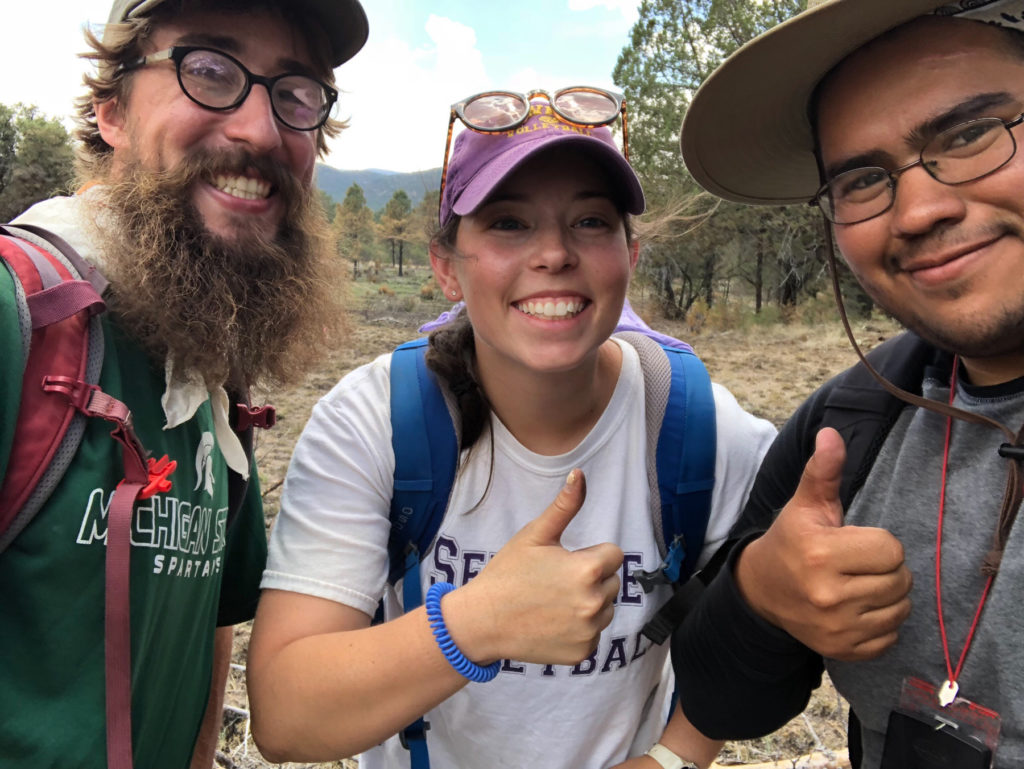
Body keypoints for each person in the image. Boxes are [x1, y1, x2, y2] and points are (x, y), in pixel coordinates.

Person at [246, 89, 776, 769]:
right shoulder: (373, 423)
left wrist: (674, 756)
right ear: (446, 267)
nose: (554, 253)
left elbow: (755, 625)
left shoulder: (699, 428)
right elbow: (287, 716)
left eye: (589, 221)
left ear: (630, 257)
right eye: (507, 224)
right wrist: (483, 621)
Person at [0, 0, 367, 767]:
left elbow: (208, 623)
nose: (260, 131)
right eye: (208, 70)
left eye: (295, 92)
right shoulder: (19, 317)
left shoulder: (215, 377)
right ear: (113, 114)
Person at [669, 1, 1024, 767]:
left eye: (970, 134)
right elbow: (722, 699)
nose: (921, 209)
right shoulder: (854, 417)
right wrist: (759, 595)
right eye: (864, 179)